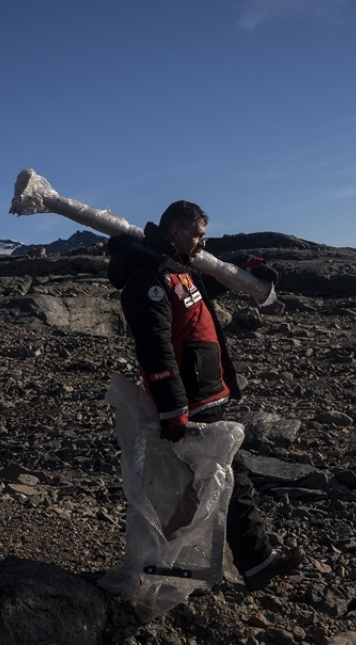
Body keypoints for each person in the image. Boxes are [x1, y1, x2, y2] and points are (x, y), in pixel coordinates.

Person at [106, 200, 304, 592]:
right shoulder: (150, 278)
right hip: (192, 401)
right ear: (176, 231)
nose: (203, 241)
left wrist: (241, 271)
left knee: (207, 484)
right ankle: (232, 563)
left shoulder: (177, 270)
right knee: (225, 479)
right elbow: (155, 346)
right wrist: (174, 409)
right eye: (197, 233)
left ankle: (171, 566)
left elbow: (196, 297)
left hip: (206, 393)